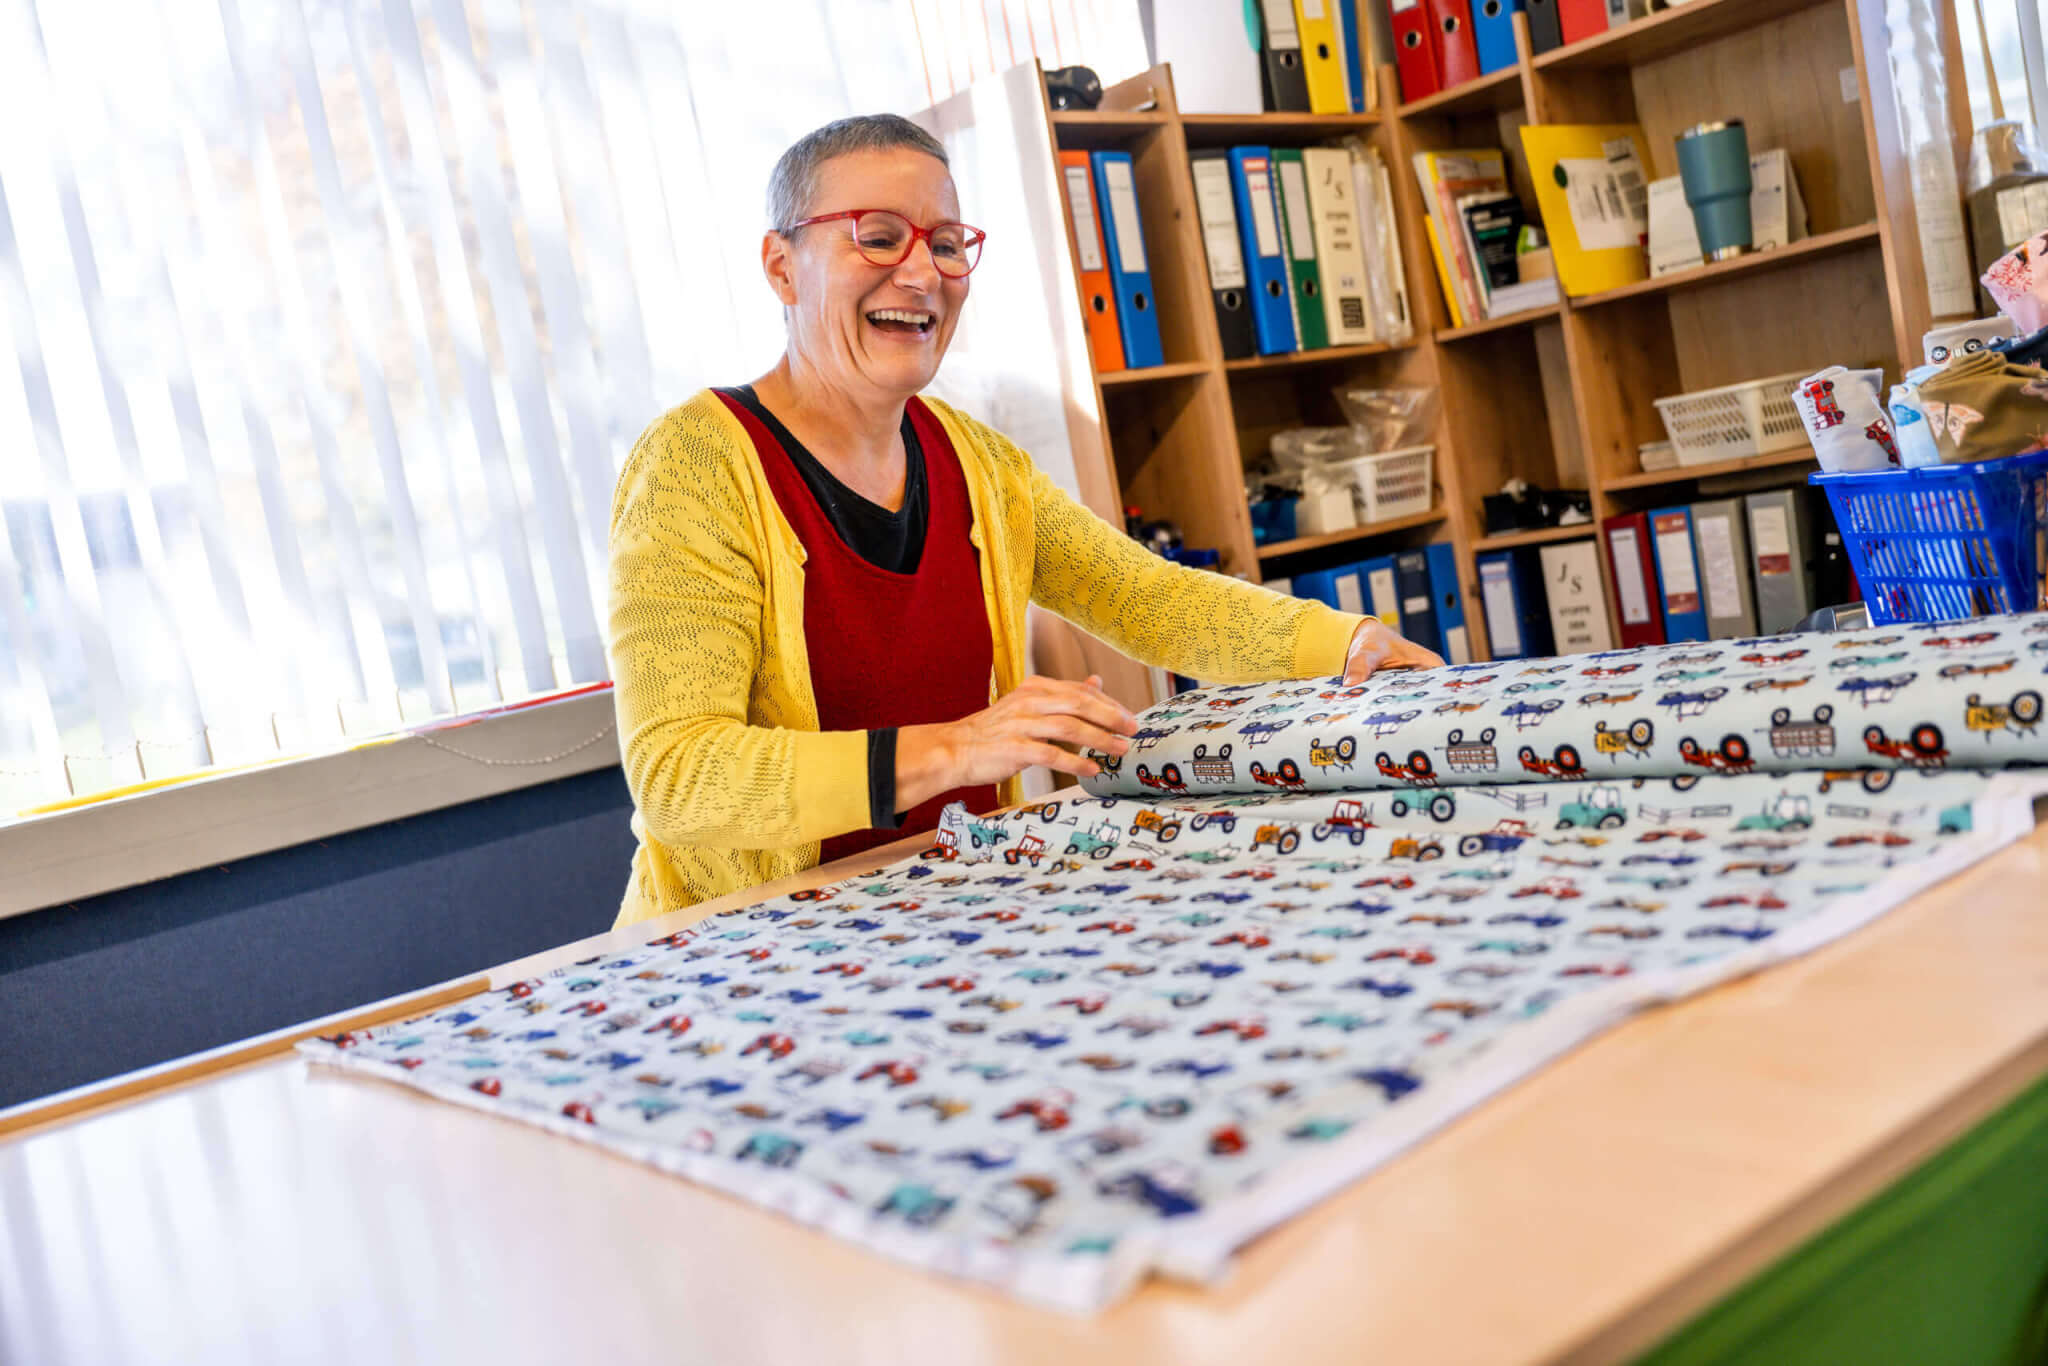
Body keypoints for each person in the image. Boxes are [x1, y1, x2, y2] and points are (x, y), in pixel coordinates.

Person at [606, 114, 1441, 928]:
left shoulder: (981, 464)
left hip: (936, 922)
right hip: (736, 954)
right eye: (879, 234)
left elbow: (1150, 600)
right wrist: (957, 749)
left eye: (943, 243)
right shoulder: (694, 464)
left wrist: (1342, 645)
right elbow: (679, 776)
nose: (922, 273)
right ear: (781, 268)